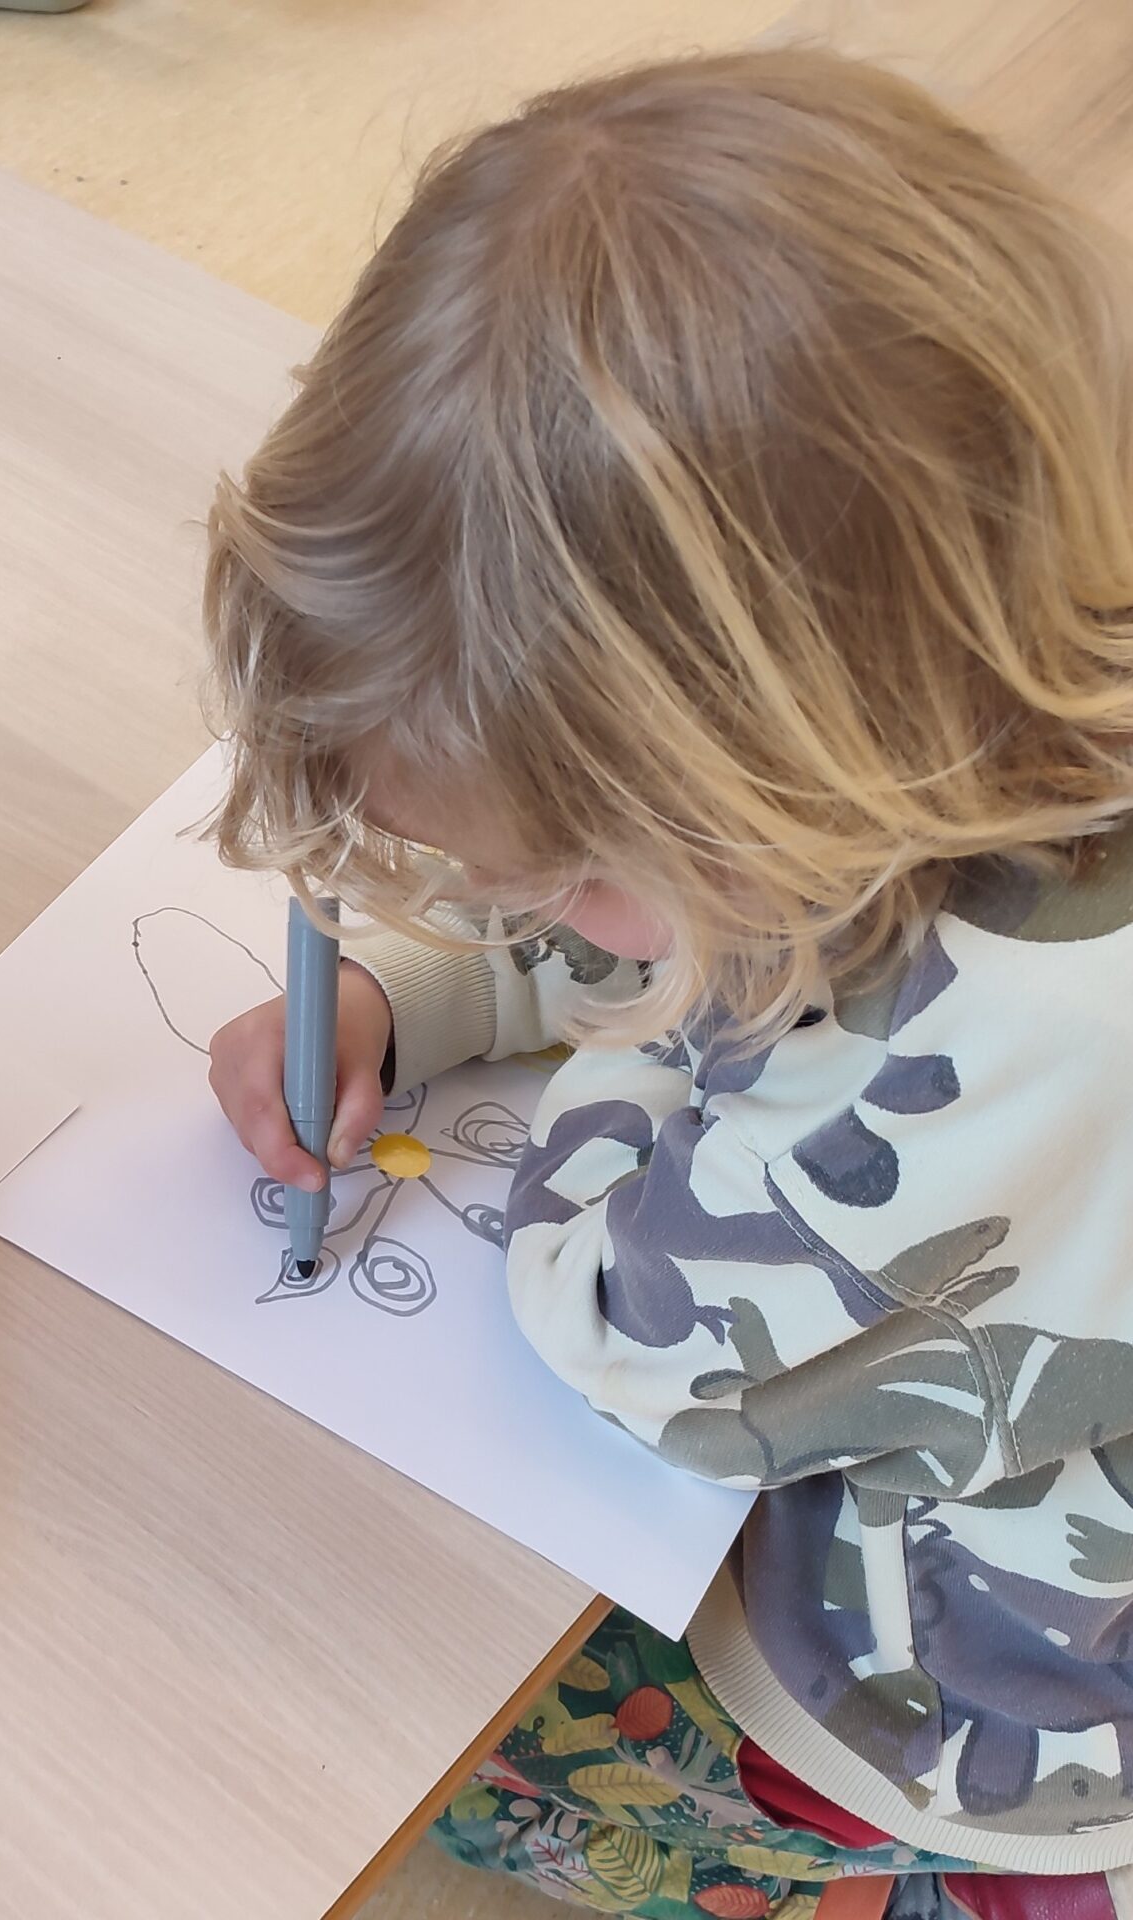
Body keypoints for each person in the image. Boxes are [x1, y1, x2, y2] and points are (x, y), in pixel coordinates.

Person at [201, 48, 1133, 1920]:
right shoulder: (994, 671)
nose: (532, 909)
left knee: (417, 1737)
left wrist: (615, 1052)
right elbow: (721, 920)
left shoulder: (985, 1048)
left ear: (798, 780)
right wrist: (433, 991)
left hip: (993, 1684)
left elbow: (637, 1336)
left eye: (568, 876)